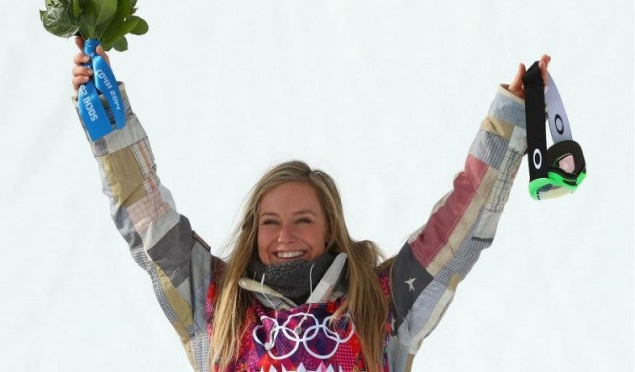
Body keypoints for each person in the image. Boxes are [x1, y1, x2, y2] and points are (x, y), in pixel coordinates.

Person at [71, 36, 550, 371]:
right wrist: (111, 129)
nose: (285, 236)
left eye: (303, 219)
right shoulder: (215, 306)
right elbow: (148, 220)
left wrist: (509, 118)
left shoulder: (380, 305)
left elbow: (456, 236)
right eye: (271, 222)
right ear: (253, 232)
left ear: (330, 229)